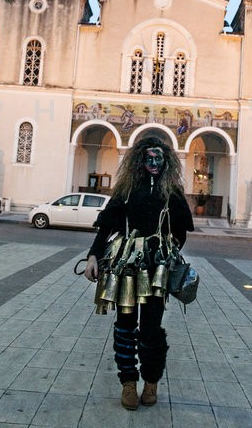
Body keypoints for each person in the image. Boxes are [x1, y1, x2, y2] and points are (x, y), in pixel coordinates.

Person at [84, 136, 194, 410]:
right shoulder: (127, 190)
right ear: (139, 161)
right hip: (127, 266)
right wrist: (93, 256)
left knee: (151, 328)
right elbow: (106, 227)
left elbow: (181, 232)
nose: (154, 163)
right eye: (149, 158)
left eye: (158, 158)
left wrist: (167, 251)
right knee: (125, 325)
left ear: (166, 161)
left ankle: (151, 382)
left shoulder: (173, 193)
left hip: (156, 269)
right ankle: (128, 383)